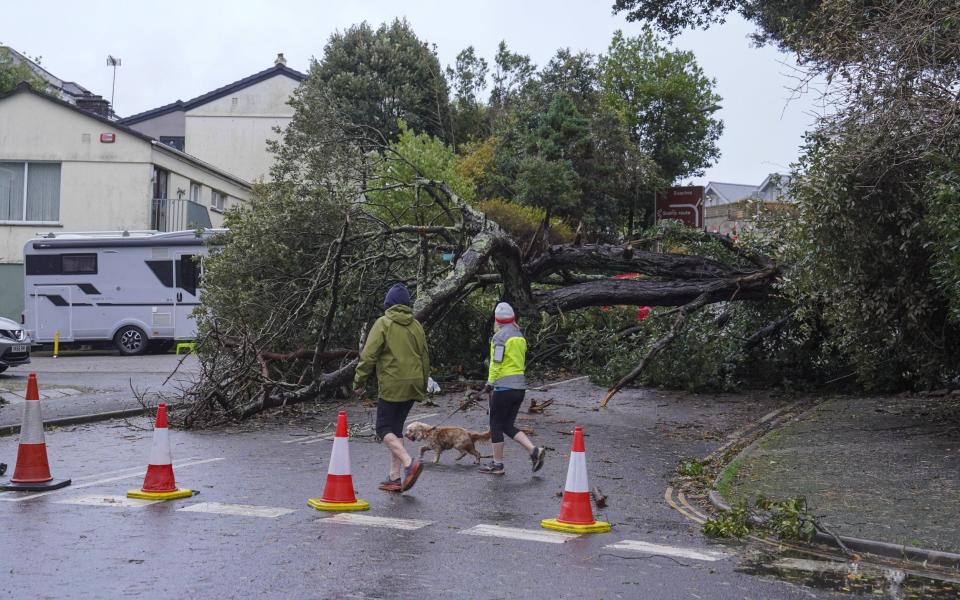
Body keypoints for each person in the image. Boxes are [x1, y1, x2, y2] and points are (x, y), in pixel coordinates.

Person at [353, 283, 427, 492]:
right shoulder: (416, 326)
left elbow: (369, 356)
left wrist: (359, 380)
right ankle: (394, 478)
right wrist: (422, 384)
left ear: (388, 304)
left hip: (393, 382)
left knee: (383, 428)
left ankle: (408, 463)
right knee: (396, 427)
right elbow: (425, 356)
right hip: (413, 382)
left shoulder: (383, 323)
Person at [479, 302, 546, 475]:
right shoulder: (519, 335)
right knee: (507, 425)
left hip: (503, 387)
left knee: (495, 424)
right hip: (520, 388)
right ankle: (534, 451)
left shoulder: (500, 337)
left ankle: (497, 464)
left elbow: (497, 363)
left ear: (497, 320)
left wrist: (489, 383)